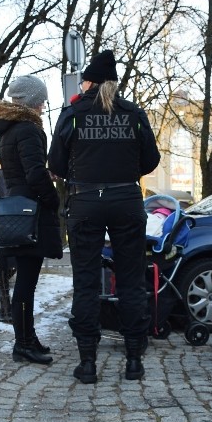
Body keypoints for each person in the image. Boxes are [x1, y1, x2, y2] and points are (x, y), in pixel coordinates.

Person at [48, 49, 161, 384]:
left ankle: (87, 363)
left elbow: (55, 163)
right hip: (126, 199)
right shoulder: (133, 113)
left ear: (91, 81)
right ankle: (133, 361)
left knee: (85, 281)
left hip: (85, 201)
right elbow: (150, 160)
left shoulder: (73, 113)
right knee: (131, 279)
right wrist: (125, 175)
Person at [0, 75, 63, 365]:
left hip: (17, 208)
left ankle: (28, 338)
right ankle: (23, 343)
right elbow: (33, 175)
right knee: (27, 282)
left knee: (26, 281)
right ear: (33, 101)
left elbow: (22, 172)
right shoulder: (29, 130)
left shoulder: (8, 129)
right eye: (42, 100)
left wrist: (42, 175)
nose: (44, 105)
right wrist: (53, 198)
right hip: (30, 211)